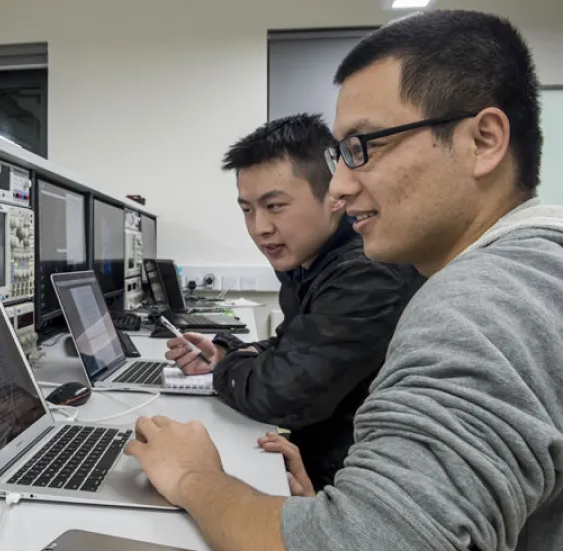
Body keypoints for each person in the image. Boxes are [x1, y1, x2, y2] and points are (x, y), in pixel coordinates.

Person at [127, 10, 563, 551]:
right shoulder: (519, 275)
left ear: (484, 140)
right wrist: (329, 508)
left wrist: (194, 478)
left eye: (364, 147)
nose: (338, 187)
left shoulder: (485, 300)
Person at [165, 113, 423, 489]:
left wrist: (226, 370)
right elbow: (294, 346)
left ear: (334, 197)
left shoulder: (367, 273)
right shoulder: (306, 261)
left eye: (275, 206)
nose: (259, 228)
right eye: (247, 209)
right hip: (317, 455)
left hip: (356, 485)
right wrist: (225, 352)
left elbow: (284, 392)